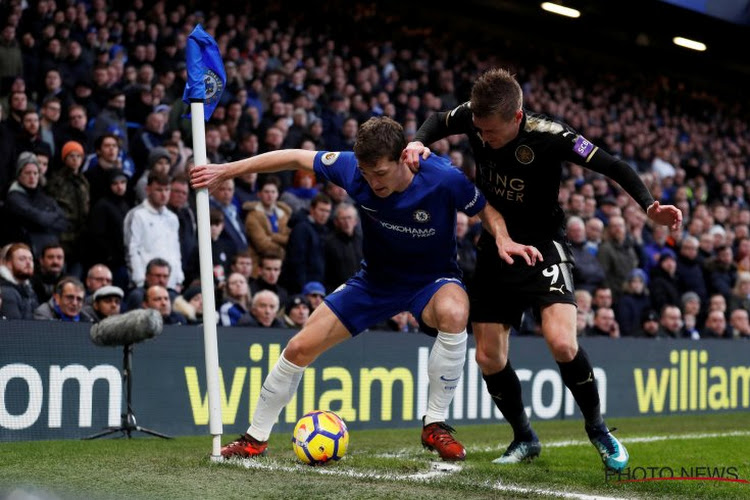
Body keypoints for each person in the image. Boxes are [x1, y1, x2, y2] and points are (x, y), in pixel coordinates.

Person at [190, 116, 540, 462]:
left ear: (404, 157)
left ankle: (434, 424)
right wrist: (227, 170)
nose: (372, 182)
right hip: (374, 282)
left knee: (455, 312)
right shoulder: (353, 169)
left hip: (431, 281)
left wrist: (505, 239)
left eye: (381, 174)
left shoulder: (444, 178)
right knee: (298, 348)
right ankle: (255, 439)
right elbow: (295, 157)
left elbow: (484, 210)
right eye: (366, 174)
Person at [403, 68, 682, 471]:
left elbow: (613, 165)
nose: (483, 139)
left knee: (562, 343)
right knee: (487, 356)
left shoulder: (552, 135)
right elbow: (437, 121)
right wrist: (416, 142)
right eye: (478, 131)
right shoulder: (475, 115)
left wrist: (649, 205)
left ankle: (599, 431)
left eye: (491, 133)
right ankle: (524, 437)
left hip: (544, 244)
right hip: (496, 244)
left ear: (516, 117)